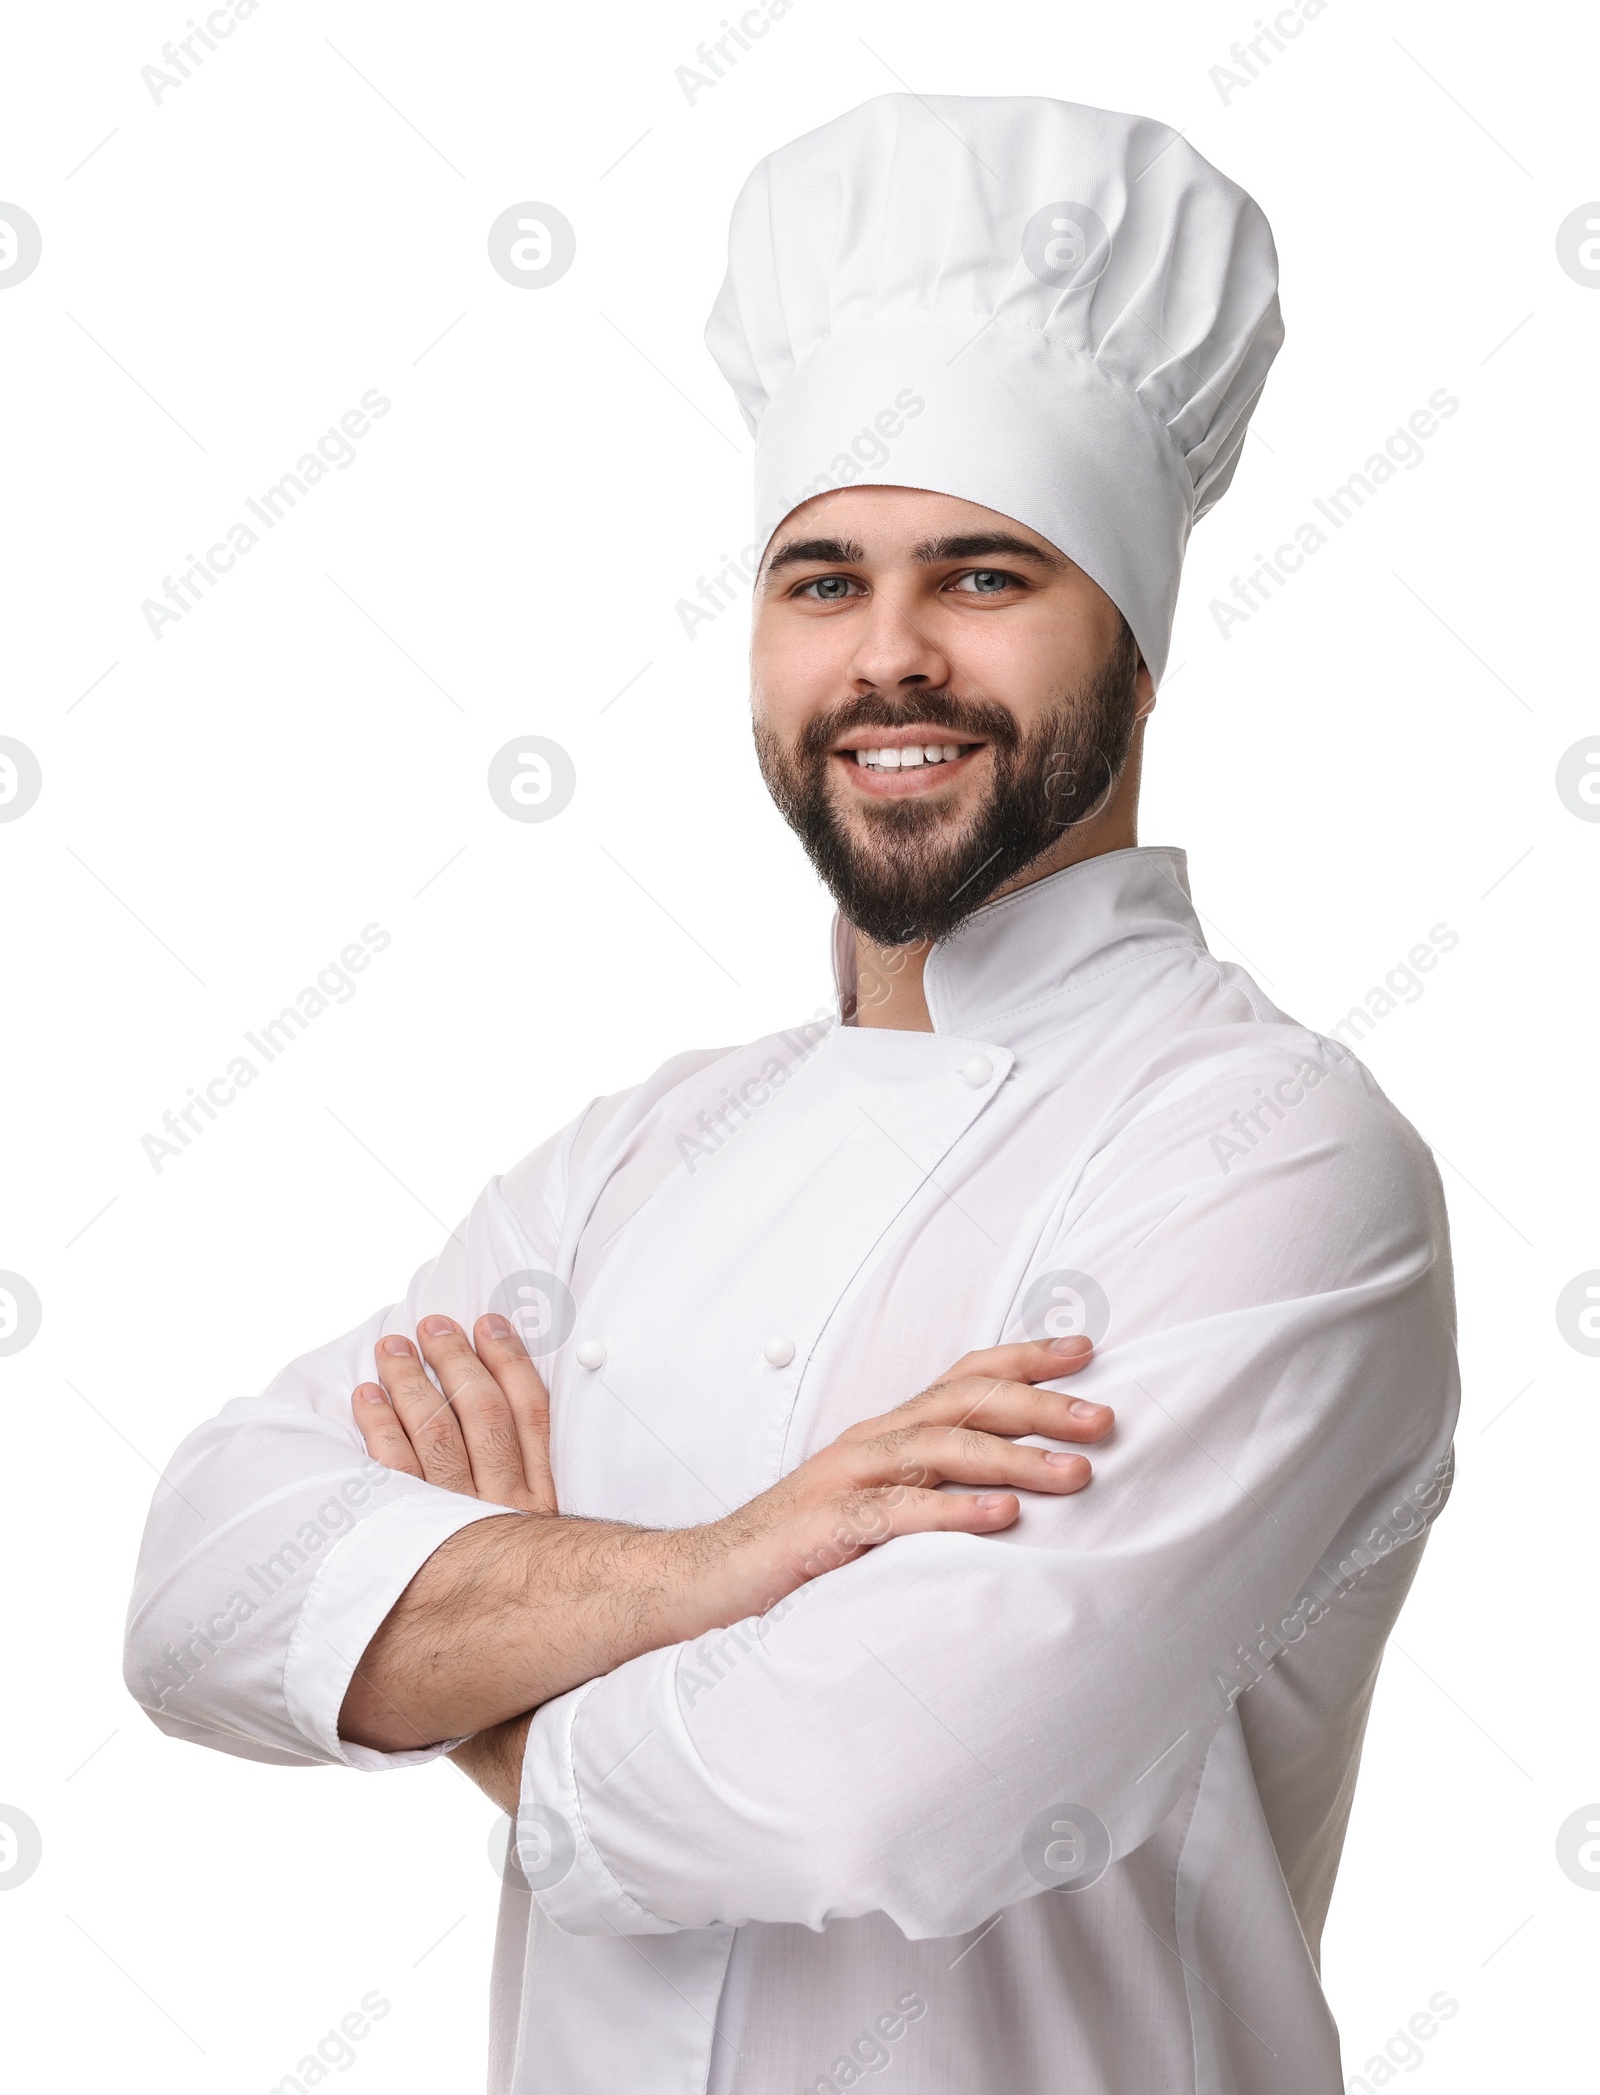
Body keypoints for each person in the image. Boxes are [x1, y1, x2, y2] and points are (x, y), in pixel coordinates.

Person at [124, 93, 1459, 2095]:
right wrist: (708, 1566)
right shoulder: (647, 1150)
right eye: (819, 581)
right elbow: (203, 1584)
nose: (887, 657)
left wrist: (474, 1672)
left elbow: (869, 1788)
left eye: (983, 575)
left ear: (1141, 645)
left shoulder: (1269, 1159)